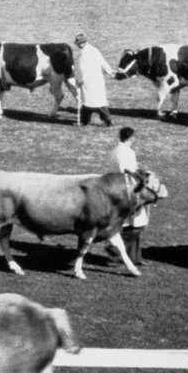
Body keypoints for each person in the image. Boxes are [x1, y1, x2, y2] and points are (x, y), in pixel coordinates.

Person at [112, 126, 150, 265]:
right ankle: (114, 252)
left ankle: (134, 257)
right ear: (131, 137)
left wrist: (140, 171)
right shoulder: (123, 151)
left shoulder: (119, 150)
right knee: (136, 224)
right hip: (129, 189)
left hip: (127, 186)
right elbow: (124, 169)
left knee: (134, 225)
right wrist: (140, 176)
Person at [73, 33, 116, 126]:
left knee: (96, 103)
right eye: (78, 43)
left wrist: (80, 80)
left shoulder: (84, 53)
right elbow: (103, 62)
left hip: (89, 81)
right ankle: (84, 121)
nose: (79, 45)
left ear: (85, 42)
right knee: (88, 102)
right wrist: (109, 71)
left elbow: (83, 69)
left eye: (80, 43)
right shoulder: (94, 50)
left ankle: (108, 121)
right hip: (97, 80)